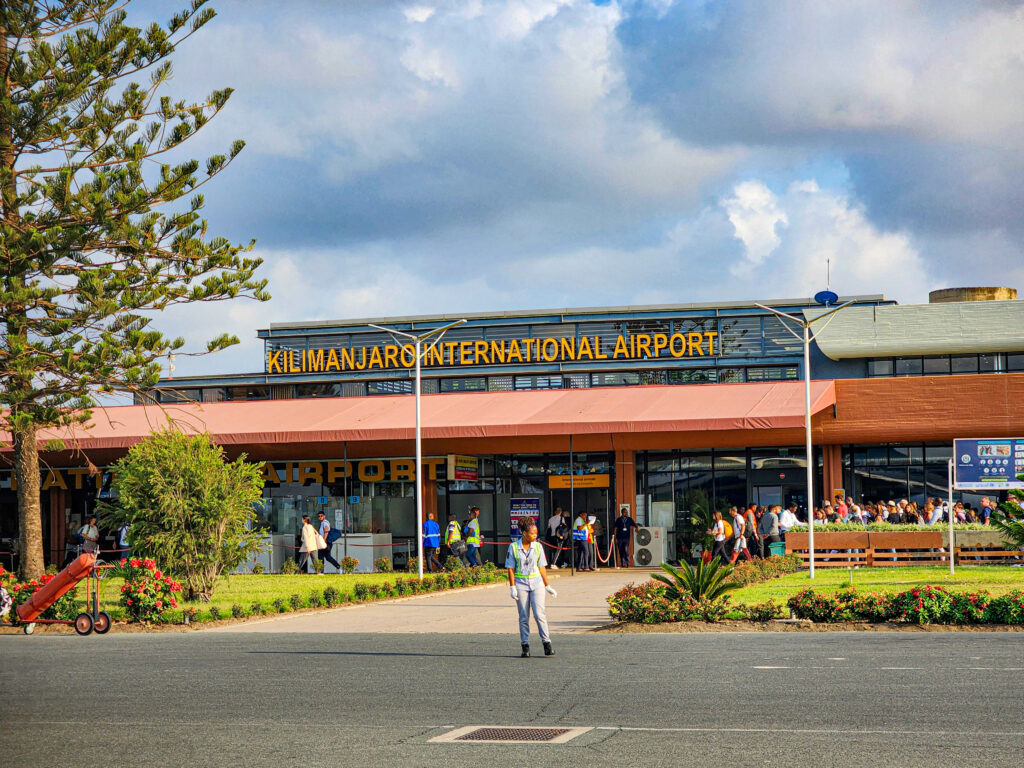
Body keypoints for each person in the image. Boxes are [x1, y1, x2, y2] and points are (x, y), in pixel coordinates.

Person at [505, 518, 557, 658]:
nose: (535, 536)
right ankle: (525, 646)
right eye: (532, 533)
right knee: (523, 616)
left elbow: (542, 567)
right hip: (521, 584)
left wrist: (548, 585)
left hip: (537, 583)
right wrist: (512, 587)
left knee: (540, 614)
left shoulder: (538, 547)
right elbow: (510, 568)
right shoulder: (514, 547)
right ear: (523, 533)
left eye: (536, 533)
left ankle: (547, 643)